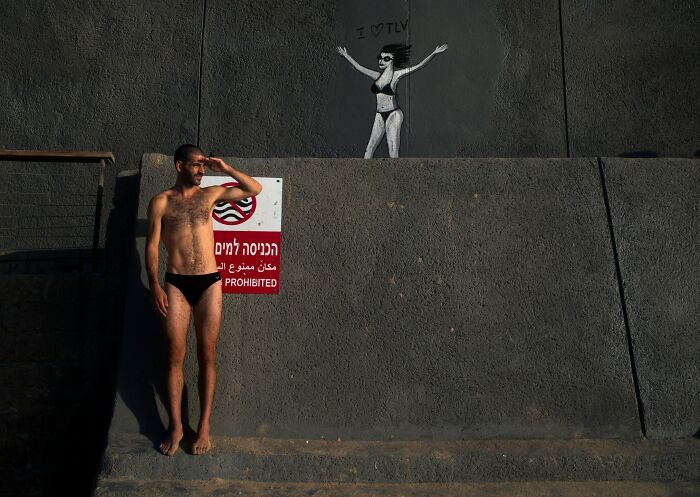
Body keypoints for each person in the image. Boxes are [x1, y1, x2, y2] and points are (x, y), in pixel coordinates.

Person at [146, 144, 262, 456]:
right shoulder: (161, 202)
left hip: (209, 282)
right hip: (176, 284)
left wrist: (223, 168)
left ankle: (204, 425)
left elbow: (254, 189)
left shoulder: (209, 195)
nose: (201, 170)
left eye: (203, 166)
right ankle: (176, 426)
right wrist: (154, 285)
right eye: (196, 165)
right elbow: (153, 247)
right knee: (174, 355)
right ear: (178, 166)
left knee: (207, 354)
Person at [336, 42, 448, 158]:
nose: (381, 61)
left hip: (393, 114)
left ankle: (397, 175)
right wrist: (346, 55)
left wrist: (434, 53)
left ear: (392, 61)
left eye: (386, 58)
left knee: (393, 151)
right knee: (369, 149)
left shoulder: (396, 75)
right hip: (379, 114)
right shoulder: (376, 76)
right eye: (380, 58)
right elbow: (359, 67)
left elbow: (419, 65)